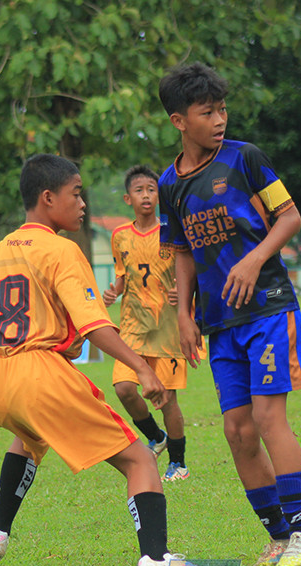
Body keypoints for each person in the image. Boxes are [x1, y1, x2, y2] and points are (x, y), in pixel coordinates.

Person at [0, 153, 177, 566]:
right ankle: (155, 558)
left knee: (28, 439)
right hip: (41, 374)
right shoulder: (62, 250)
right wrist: (142, 367)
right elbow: (95, 325)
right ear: (48, 198)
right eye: (75, 194)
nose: (82, 204)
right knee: (140, 460)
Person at [156, 62, 301, 566]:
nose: (219, 120)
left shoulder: (245, 159)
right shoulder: (169, 184)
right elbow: (182, 250)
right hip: (220, 323)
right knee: (237, 431)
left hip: (268, 309)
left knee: (270, 419)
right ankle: (279, 536)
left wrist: (254, 260)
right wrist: (184, 314)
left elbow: (290, 217)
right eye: (207, 112)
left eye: (222, 109)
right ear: (178, 121)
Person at [102, 165, 191, 483]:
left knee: (167, 399)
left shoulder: (172, 231)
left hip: (167, 329)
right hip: (133, 327)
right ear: (128, 198)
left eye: (151, 190)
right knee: (124, 389)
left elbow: (189, 272)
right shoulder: (119, 236)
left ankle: (178, 463)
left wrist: (183, 291)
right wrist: (114, 291)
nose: (146, 196)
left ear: (159, 196)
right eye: (139, 190)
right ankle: (156, 437)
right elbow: (123, 276)